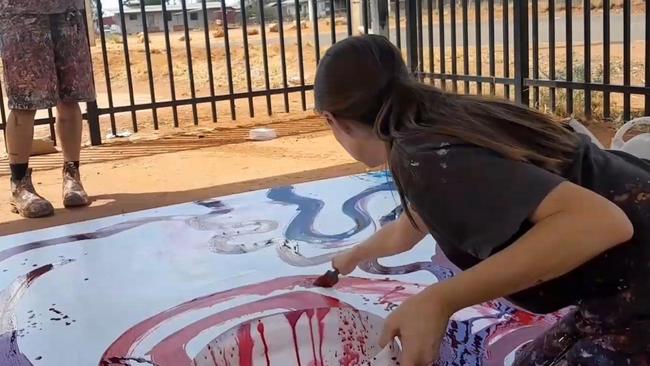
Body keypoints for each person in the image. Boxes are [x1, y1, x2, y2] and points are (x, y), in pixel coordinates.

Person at [314, 35, 650, 366]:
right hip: (621, 283)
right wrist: (354, 255)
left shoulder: (426, 158)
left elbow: (599, 223)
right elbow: (411, 226)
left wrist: (441, 299)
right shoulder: (435, 127)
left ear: (333, 119)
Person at [0, 0, 94, 218]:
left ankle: (72, 175)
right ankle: (20, 184)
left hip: (68, 10)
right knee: (25, 100)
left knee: (70, 97)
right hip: (19, 13)